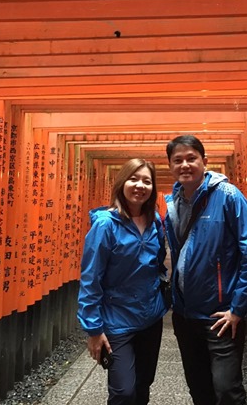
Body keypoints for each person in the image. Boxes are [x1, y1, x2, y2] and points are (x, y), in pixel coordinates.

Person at [164, 135, 247, 405]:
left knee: (226, 390)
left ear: (205, 161)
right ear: (170, 166)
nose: (185, 165)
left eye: (191, 158)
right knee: (199, 389)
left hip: (219, 316)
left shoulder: (228, 196)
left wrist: (238, 308)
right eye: (178, 160)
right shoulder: (173, 203)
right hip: (185, 316)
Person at [77, 158, 169, 405]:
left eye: (147, 181)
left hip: (151, 316)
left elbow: (158, 262)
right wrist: (94, 330)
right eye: (134, 179)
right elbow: (90, 278)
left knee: (143, 384)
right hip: (117, 320)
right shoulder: (106, 225)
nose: (140, 185)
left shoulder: (155, 221)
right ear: (122, 183)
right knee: (123, 391)